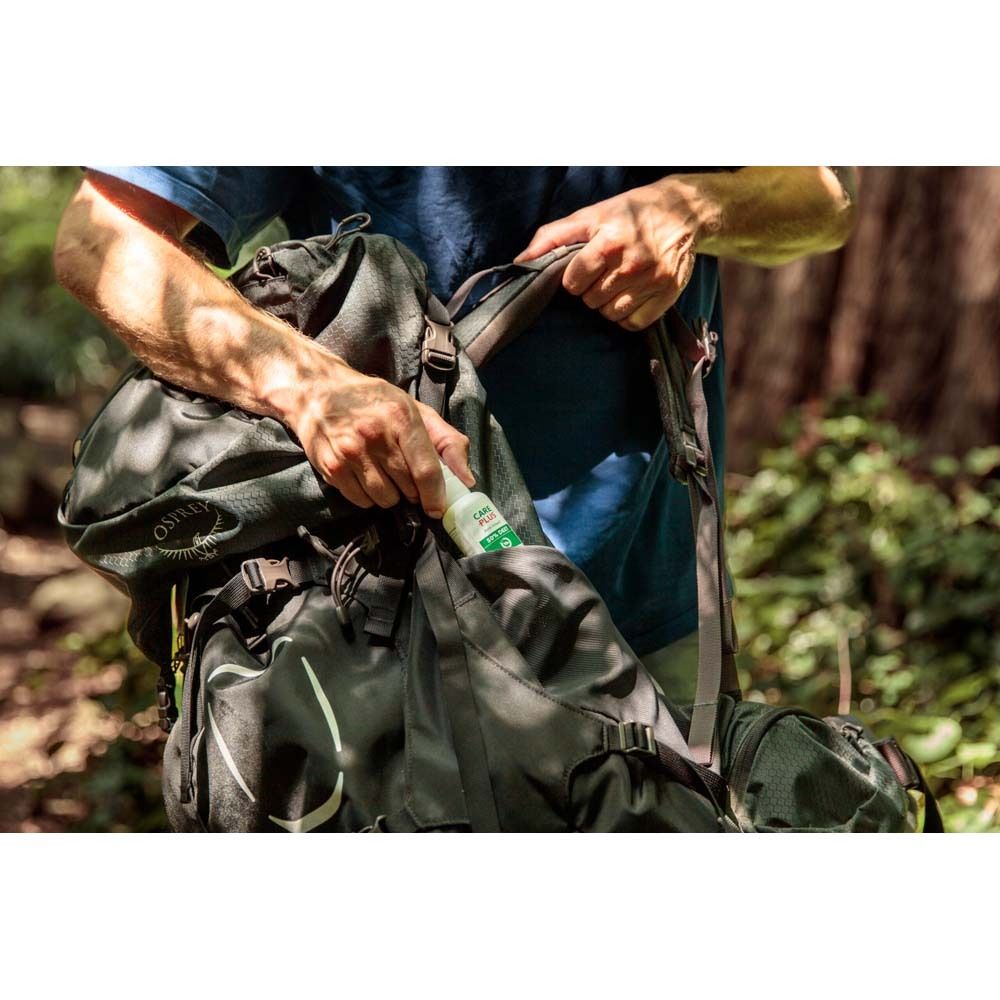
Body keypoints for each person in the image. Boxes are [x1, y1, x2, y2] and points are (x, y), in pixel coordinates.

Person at [54, 166, 857, 701]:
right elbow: (101, 236)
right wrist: (306, 387)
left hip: (657, 614)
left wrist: (695, 204)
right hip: (390, 623)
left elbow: (827, 193)